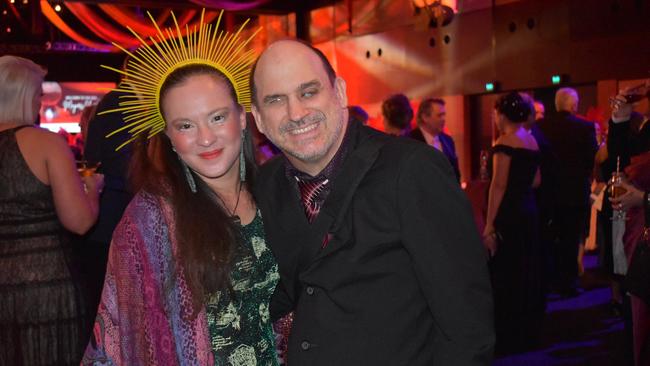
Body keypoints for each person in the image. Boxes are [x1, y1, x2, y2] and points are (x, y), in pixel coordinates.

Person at [250, 39, 494, 365]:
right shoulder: (264, 185)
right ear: (259, 118)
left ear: (339, 93)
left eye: (308, 92)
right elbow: (284, 288)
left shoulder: (411, 170)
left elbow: (467, 326)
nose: (296, 113)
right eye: (276, 99)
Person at [81, 12, 279, 365]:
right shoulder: (150, 220)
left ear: (244, 118)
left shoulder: (279, 195)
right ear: (170, 139)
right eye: (186, 125)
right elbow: (118, 337)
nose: (205, 138)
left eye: (217, 117)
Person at [0, 55, 103, 365]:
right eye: (38, 94)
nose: (41, 101)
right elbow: (80, 222)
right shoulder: (46, 144)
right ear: (24, 96)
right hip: (49, 291)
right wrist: (93, 191)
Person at [483, 92, 544, 354]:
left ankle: (508, 336)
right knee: (526, 272)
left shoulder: (505, 142)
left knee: (506, 274)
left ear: (501, 114)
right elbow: (536, 181)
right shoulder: (530, 140)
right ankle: (527, 333)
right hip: (529, 211)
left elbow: (498, 186)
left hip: (510, 214)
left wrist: (489, 225)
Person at [538, 87, 598, 296]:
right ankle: (568, 283)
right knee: (571, 238)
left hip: (548, 192)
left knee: (550, 237)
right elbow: (592, 159)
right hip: (574, 191)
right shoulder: (585, 127)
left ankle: (550, 280)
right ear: (573, 104)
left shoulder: (540, 127)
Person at [410, 97, 461, 182]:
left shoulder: (448, 140)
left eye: (444, 114)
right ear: (425, 117)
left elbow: (455, 173)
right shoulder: (411, 140)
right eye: (439, 115)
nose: (443, 119)